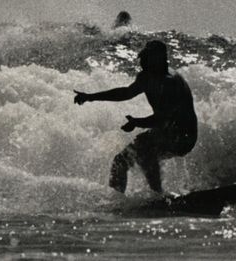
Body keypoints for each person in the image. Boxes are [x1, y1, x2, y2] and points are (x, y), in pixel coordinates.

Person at [74, 40, 197, 194]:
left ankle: (157, 195)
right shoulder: (147, 76)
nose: (143, 61)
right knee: (120, 161)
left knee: (145, 150)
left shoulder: (170, 82)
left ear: (160, 59)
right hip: (162, 132)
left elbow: (162, 119)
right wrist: (90, 97)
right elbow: (125, 93)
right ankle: (116, 199)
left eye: (148, 57)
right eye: (143, 57)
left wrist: (137, 122)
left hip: (183, 136)